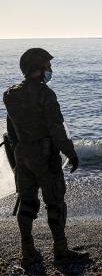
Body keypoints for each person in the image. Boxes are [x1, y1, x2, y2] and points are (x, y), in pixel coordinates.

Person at [3, 48, 88, 266]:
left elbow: (10, 130)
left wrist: (17, 157)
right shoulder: (45, 94)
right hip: (45, 156)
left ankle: (27, 250)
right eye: (47, 67)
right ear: (38, 69)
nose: (50, 70)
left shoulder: (10, 94)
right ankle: (61, 250)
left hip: (22, 156)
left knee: (27, 203)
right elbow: (57, 129)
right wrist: (70, 153)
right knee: (55, 203)